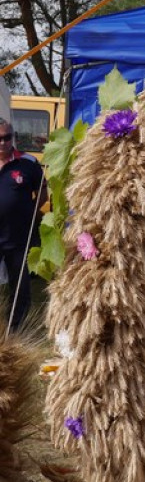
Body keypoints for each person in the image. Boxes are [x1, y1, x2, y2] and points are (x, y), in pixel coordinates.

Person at [0, 118, 47, 329]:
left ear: (13, 137)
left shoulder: (28, 163)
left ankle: (14, 331)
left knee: (20, 288)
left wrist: (31, 212)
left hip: (18, 237)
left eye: (6, 137)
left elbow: (43, 193)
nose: (3, 142)